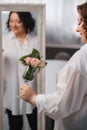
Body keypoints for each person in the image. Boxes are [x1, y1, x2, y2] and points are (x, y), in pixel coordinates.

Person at [20, 2, 87, 130]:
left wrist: (34, 98)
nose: (77, 29)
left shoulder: (80, 60)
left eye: (80, 22)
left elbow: (61, 105)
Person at [3, 11, 38, 130]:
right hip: (11, 91)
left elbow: (40, 65)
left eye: (18, 21)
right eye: (11, 21)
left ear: (26, 22)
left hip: (32, 90)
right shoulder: (3, 41)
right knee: (14, 126)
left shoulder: (36, 40)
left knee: (35, 124)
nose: (14, 25)